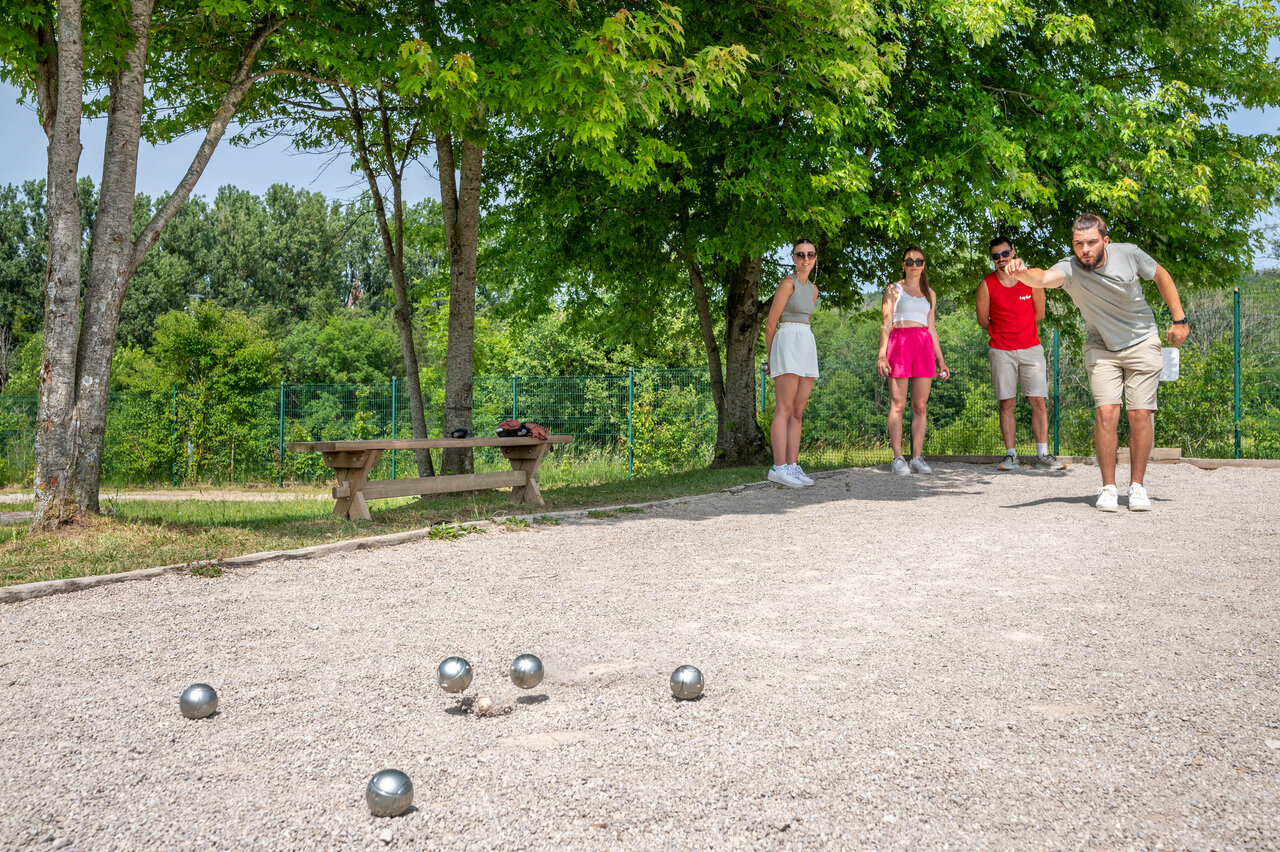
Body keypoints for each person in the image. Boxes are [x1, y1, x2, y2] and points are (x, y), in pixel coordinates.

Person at [1006, 213, 1189, 512]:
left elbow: (1161, 275)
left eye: (1091, 242)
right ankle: (1108, 488)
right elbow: (1042, 277)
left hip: (1142, 340)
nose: (1085, 249)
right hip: (1101, 346)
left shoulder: (1128, 254)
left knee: (1140, 415)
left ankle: (1137, 486)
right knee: (1106, 414)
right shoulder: (1071, 268)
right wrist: (1022, 273)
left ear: (1105, 241)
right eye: (1078, 243)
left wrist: (1179, 320)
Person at [976, 236, 1066, 471]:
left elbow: (1040, 313)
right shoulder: (987, 284)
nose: (1001, 259)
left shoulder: (1030, 280)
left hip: (1031, 348)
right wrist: (1005, 332)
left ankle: (1043, 454)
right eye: (995, 256)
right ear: (992, 259)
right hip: (1001, 350)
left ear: (1013, 252)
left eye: (1004, 254)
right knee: (1006, 403)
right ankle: (1010, 455)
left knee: (1038, 400)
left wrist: (1021, 330)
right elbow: (983, 320)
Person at [877, 246, 950, 475]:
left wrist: (941, 361)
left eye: (919, 261)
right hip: (899, 344)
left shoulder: (930, 292)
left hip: (923, 346)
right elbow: (886, 323)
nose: (914, 265)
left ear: (924, 264)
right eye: (909, 261)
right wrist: (882, 354)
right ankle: (898, 458)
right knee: (898, 405)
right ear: (903, 264)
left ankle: (917, 457)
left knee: (920, 406)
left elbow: (932, 327)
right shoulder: (893, 289)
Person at [764, 239, 820, 488]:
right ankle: (778, 467)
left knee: (798, 410)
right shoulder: (787, 283)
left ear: (815, 257)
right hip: (786, 341)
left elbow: (806, 318)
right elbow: (770, 324)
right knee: (784, 408)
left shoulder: (814, 289)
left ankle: (793, 465)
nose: (805, 258)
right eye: (800, 254)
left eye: (810, 254)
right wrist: (772, 358)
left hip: (806, 342)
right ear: (793, 258)